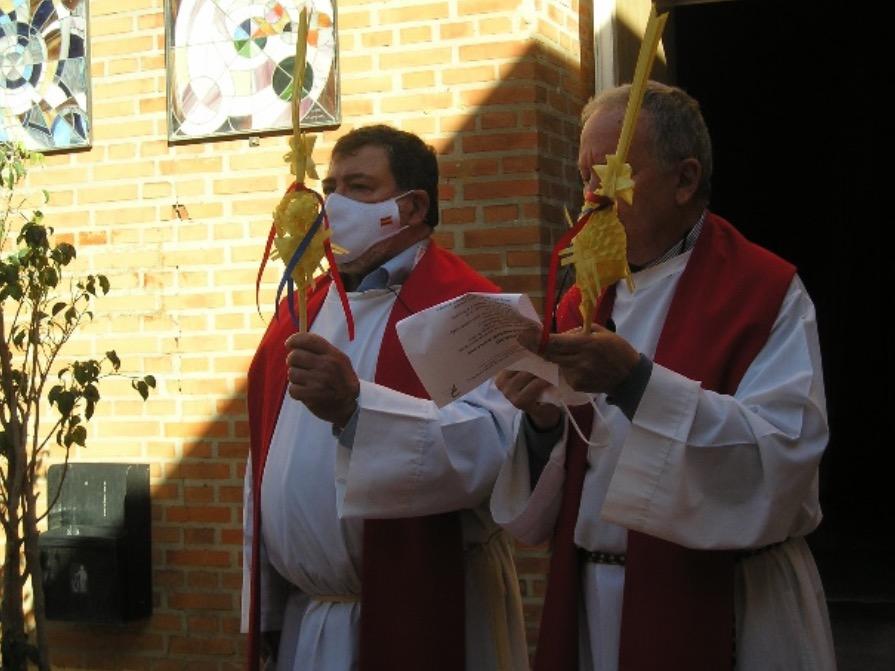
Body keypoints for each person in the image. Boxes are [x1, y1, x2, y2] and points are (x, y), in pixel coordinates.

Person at [491, 82, 836, 671]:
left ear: (684, 179)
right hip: (595, 604)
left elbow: (781, 456)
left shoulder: (763, 291)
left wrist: (636, 383)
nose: (591, 197)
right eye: (584, 178)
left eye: (611, 174)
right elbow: (569, 484)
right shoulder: (583, 301)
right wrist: (543, 422)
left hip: (727, 602)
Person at [241, 125, 528, 671]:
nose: (334, 205)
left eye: (360, 187)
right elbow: (261, 467)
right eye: (330, 187)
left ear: (412, 205)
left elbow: (495, 454)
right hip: (309, 620)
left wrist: (356, 412)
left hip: (428, 610)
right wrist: (266, 613)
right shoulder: (300, 313)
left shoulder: (474, 312)